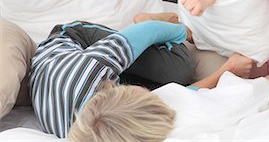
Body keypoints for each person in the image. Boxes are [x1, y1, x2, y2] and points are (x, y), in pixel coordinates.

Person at [29, 19, 252, 140]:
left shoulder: (97, 64)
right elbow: (176, 95)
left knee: (180, 69)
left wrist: (184, 32)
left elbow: (150, 29)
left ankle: (141, 16)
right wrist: (227, 69)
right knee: (175, 84)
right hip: (70, 82)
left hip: (76, 40)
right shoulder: (89, 131)